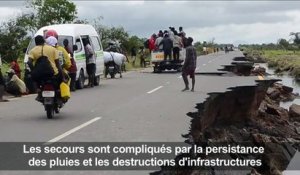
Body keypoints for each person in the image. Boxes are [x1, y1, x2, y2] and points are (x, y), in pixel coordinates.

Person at [27, 35, 63, 101]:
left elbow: (29, 62)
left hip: (39, 74)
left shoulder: (32, 51)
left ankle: (38, 90)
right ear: (44, 41)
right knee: (60, 77)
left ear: (35, 43)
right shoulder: (52, 49)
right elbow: (57, 64)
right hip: (52, 73)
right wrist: (61, 73)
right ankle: (58, 90)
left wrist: (33, 70)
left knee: (33, 78)